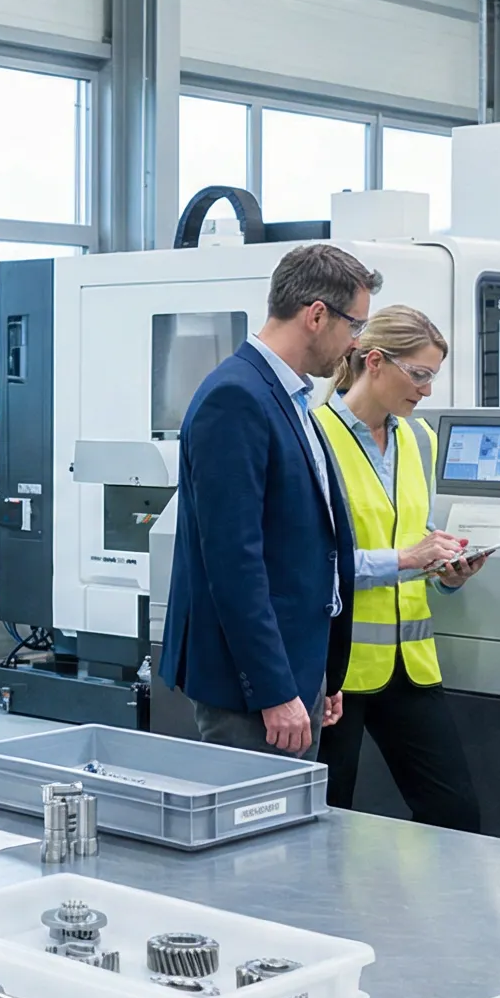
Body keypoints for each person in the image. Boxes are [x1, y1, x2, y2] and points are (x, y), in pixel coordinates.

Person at [158, 243, 373, 757]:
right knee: (257, 833)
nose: (355, 344)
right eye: (355, 327)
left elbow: (307, 541)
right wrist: (275, 688)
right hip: (250, 687)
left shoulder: (291, 398)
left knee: (291, 831)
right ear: (317, 316)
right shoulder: (236, 398)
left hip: (295, 669)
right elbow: (234, 563)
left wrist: (319, 673)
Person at [311, 305, 485, 830]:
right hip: (337, 670)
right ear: (376, 361)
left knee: (455, 813)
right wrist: (407, 559)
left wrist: (445, 570)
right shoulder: (314, 438)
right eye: (420, 375)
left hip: (410, 666)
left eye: (433, 377)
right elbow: (312, 564)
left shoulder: (420, 439)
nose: (427, 391)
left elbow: (416, 537)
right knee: (325, 816)